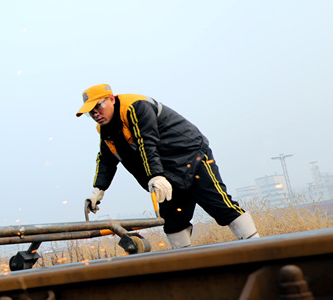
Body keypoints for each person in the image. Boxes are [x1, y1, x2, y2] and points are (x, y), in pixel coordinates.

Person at [76, 84, 259, 248]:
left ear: (112, 99)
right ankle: (184, 267)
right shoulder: (105, 129)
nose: (95, 114)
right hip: (164, 174)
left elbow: (148, 142)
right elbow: (107, 159)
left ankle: (258, 249)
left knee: (220, 206)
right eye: (90, 112)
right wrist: (98, 190)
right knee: (173, 221)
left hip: (191, 157)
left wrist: (155, 175)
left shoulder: (136, 106)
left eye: (97, 106)